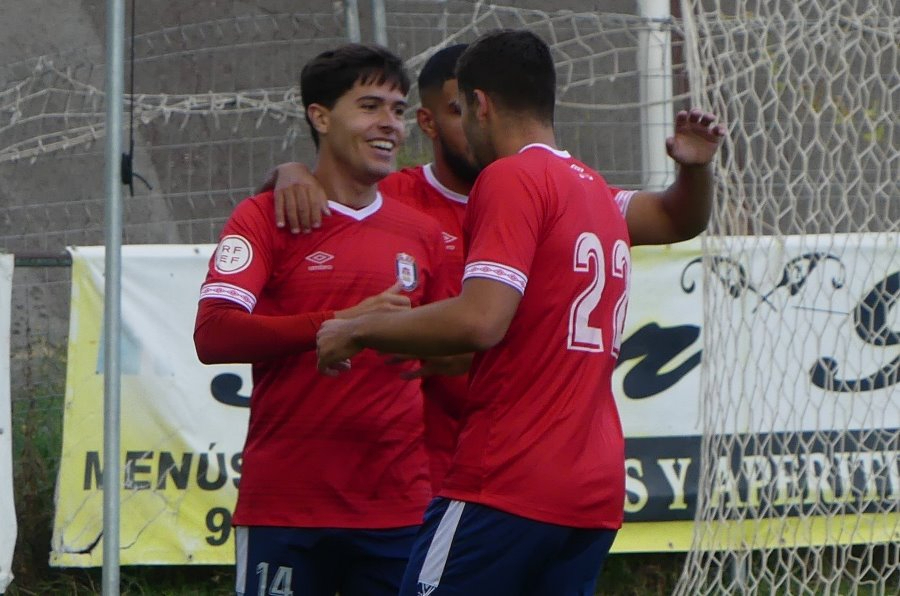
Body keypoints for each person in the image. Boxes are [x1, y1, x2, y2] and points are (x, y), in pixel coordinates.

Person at [316, 29, 726, 596]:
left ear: (480, 105)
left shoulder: (511, 177)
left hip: (508, 478)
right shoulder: (588, 188)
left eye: (463, 108)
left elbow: (482, 320)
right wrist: (696, 170)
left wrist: (359, 327)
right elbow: (680, 220)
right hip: (591, 491)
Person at [193, 43, 454, 596]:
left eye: (398, 109)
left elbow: (456, 345)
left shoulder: (423, 233)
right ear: (320, 115)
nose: (389, 124)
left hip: (398, 508)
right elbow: (214, 333)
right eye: (370, 106)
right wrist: (341, 322)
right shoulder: (265, 215)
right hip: (287, 507)